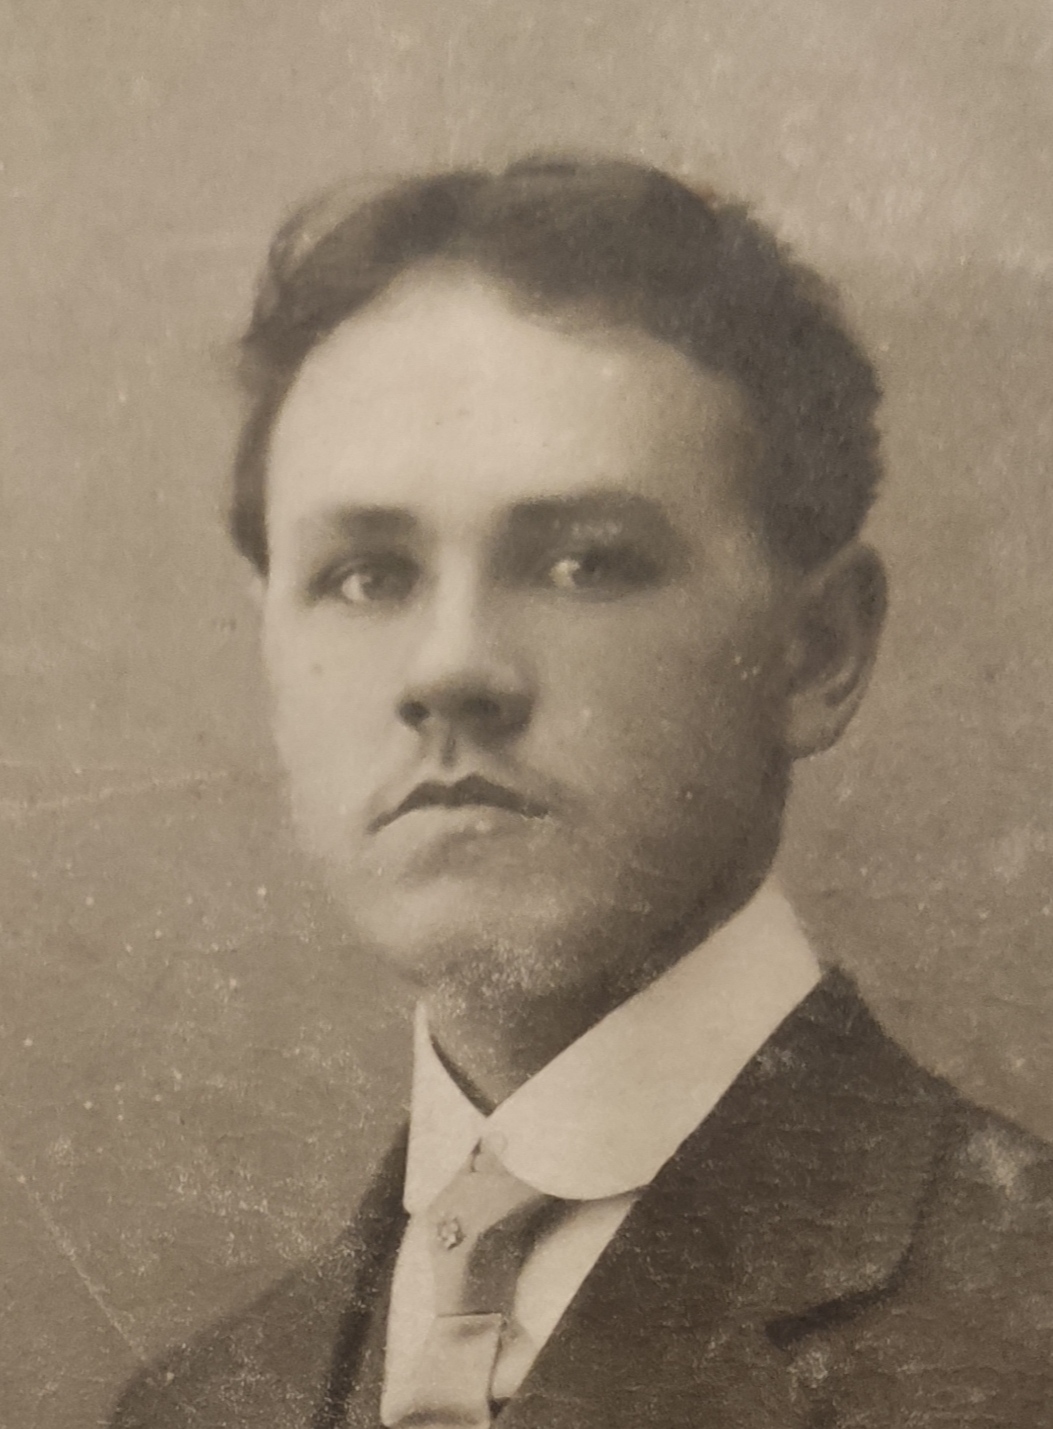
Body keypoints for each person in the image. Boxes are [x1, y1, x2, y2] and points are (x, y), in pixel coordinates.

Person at [111, 156, 1053, 1429]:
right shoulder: (194, 1404)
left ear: (816, 653)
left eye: (585, 564)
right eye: (366, 576)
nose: (449, 668)